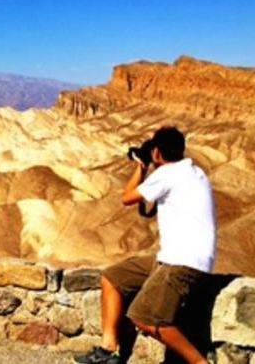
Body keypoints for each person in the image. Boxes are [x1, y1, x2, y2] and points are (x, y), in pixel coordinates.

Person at [74, 126, 216, 364]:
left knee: (145, 317)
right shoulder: (194, 172)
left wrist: (141, 167)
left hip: (182, 262)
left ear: (158, 153)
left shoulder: (168, 174)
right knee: (113, 277)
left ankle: (200, 363)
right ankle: (109, 350)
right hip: (174, 257)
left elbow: (127, 197)